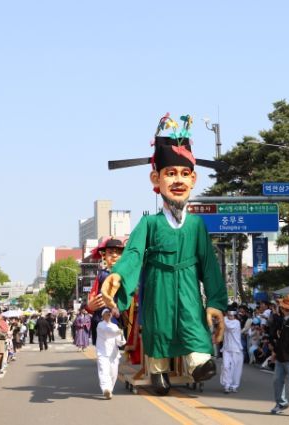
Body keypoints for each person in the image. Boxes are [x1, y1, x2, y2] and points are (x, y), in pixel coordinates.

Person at [102, 114, 227, 395]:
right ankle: (158, 370)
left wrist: (216, 302)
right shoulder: (149, 223)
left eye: (184, 174)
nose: (178, 180)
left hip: (188, 284)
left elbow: (209, 266)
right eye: (170, 173)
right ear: (156, 179)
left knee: (193, 321)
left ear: (193, 179)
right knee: (158, 327)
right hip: (158, 282)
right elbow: (134, 253)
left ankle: (198, 362)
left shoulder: (196, 225)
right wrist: (118, 275)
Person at [86, 238, 125, 345]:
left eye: (119, 253)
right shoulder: (101, 275)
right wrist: (90, 305)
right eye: (110, 252)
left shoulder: (127, 274)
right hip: (101, 315)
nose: (114, 255)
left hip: (121, 315)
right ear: (104, 255)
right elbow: (93, 294)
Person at [95, 308, 125, 400]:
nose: (108, 314)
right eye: (106, 312)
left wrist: (121, 336)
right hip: (103, 353)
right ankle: (105, 389)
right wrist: (117, 332)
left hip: (113, 354)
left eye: (109, 312)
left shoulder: (115, 326)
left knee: (113, 374)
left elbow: (119, 342)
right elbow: (107, 332)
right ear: (103, 315)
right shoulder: (100, 325)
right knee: (104, 372)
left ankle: (109, 390)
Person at [220, 310, 243, 394]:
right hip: (226, 348)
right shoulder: (225, 320)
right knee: (225, 366)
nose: (230, 317)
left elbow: (229, 327)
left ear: (235, 316)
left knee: (235, 368)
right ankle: (227, 385)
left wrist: (222, 318)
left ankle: (234, 386)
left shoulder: (236, 323)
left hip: (236, 349)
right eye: (229, 315)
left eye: (232, 315)